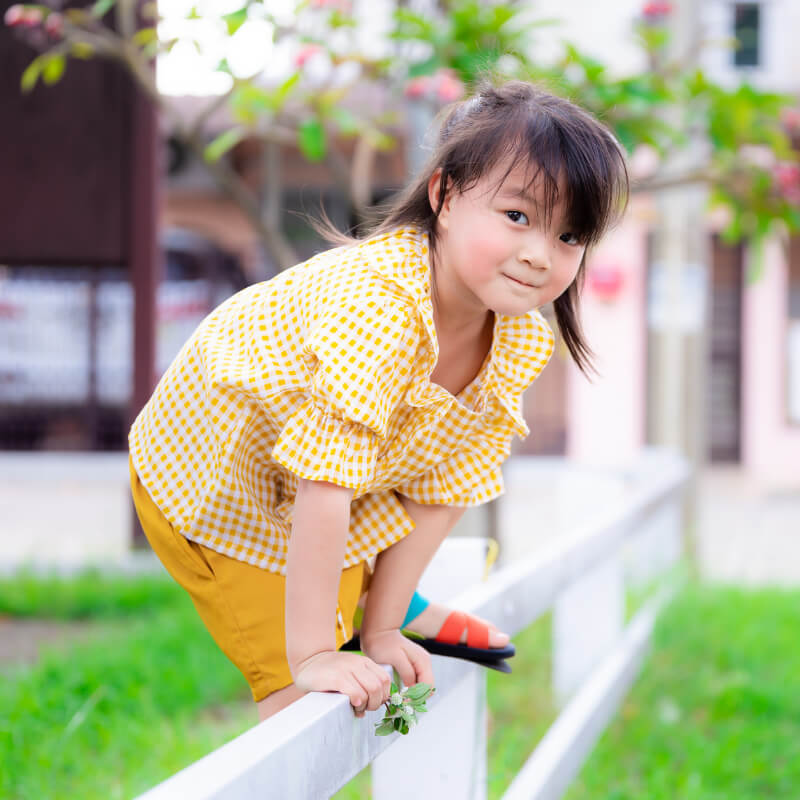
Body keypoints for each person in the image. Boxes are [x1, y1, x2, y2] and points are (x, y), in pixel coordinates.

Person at [128, 79, 629, 723]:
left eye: (569, 237)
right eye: (517, 216)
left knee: (366, 645)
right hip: (213, 482)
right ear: (444, 196)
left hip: (314, 490)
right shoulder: (378, 307)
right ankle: (348, 612)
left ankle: (383, 602)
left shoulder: (518, 338)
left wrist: (386, 630)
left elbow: (445, 481)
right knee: (306, 706)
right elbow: (324, 483)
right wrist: (313, 655)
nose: (539, 255)